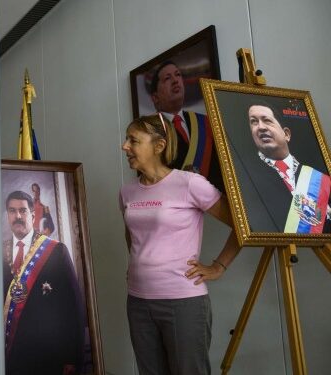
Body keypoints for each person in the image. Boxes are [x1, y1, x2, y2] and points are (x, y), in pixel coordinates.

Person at [119, 113, 240, 374]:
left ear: (159, 146)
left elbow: (242, 226)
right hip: (138, 301)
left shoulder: (190, 184)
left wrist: (218, 266)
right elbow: (132, 234)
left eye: (133, 140)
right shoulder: (127, 192)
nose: (125, 146)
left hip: (182, 301)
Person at [3, 190, 84, 375]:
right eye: (12, 211)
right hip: (9, 355)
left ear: (32, 215)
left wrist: (72, 357)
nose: (17, 216)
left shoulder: (56, 252)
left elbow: (73, 308)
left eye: (23, 211)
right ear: (7, 215)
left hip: (48, 355)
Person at [239, 102, 331, 233]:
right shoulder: (245, 175)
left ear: (286, 134)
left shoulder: (319, 178)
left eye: (267, 120)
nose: (260, 127)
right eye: (254, 122)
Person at [149, 60, 223, 191]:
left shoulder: (205, 121)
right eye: (167, 78)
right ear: (155, 97)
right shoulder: (149, 132)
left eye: (178, 75)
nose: (175, 80)